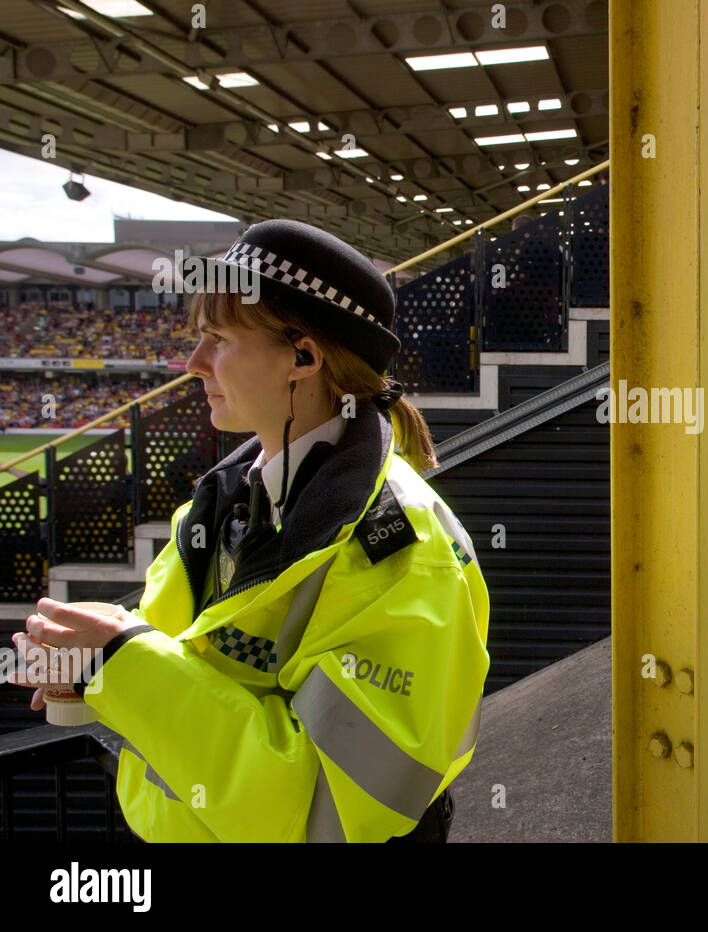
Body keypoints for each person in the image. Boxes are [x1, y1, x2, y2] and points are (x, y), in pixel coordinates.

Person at [12, 219, 491, 842]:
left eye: (216, 339)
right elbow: (199, 682)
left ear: (304, 356)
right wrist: (92, 679)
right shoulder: (217, 504)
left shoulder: (404, 553)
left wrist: (122, 663)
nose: (192, 364)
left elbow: (328, 807)